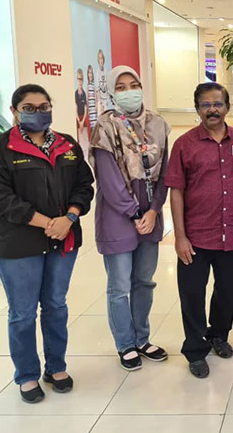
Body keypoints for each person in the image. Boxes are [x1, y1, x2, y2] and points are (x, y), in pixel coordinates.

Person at [0, 84, 94, 403]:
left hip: (62, 240)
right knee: (23, 312)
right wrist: (48, 223)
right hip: (18, 245)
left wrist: (69, 217)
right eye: (29, 108)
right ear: (14, 112)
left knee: (56, 305)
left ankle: (56, 367)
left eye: (44, 107)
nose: (39, 113)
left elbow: (84, 185)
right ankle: (27, 374)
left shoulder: (67, 145)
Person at [165, 82, 233, 379]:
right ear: (197, 109)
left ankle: (219, 335)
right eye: (206, 104)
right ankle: (194, 349)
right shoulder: (184, 144)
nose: (212, 109)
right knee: (192, 294)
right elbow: (176, 191)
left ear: (227, 107)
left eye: (218, 103)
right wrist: (179, 237)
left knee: (226, 291)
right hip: (196, 237)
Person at [90, 66, 170, 372]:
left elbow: (166, 172)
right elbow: (108, 179)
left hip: (150, 213)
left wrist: (154, 209)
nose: (129, 91)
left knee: (144, 281)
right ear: (112, 92)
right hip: (118, 215)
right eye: (121, 87)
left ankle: (142, 339)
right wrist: (135, 212)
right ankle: (125, 344)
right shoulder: (105, 126)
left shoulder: (158, 124)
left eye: (133, 84)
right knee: (120, 285)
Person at [75, 68, 90, 150]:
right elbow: (75, 107)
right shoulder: (75, 93)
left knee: (86, 131)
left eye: (81, 79)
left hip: (83, 117)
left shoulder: (84, 93)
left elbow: (85, 108)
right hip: (78, 117)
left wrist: (83, 121)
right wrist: (79, 121)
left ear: (83, 80)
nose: (80, 81)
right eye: (78, 79)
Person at [96, 49, 110, 113]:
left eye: (101, 58)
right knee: (100, 115)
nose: (101, 60)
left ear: (103, 59)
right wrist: (100, 101)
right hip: (100, 99)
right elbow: (97, 88)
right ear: (98, 61)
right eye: (99, 59)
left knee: (106, 114)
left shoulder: (106, 71)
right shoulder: (98, 72)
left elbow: (107, 85)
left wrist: (107, 98)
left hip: (106, 99)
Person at [87, 65, 98, 129]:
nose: (90, 75)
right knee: (91, 124)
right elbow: (87, 98)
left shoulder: (94, 85)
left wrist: (96, 105)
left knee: (95, 123)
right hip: (90, 108)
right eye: (89, 73)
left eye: (91, 73)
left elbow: (96, 96)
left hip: (94, 107)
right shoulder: (87, 85)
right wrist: (88, 109)